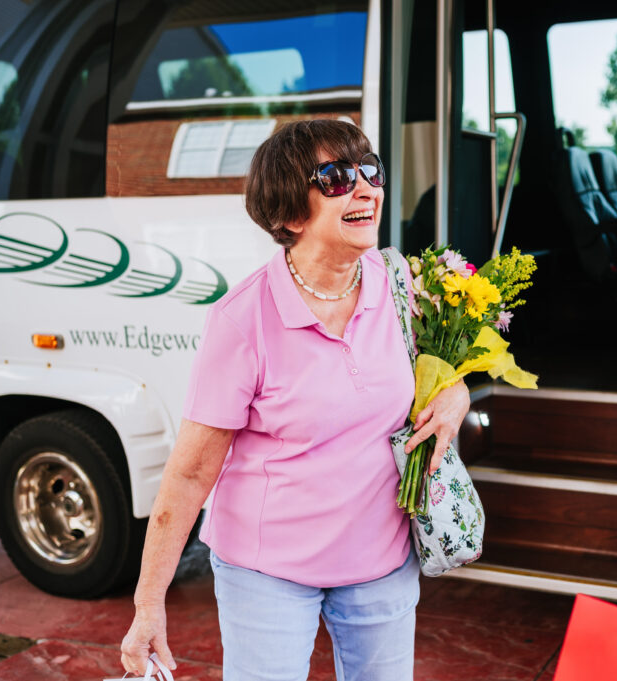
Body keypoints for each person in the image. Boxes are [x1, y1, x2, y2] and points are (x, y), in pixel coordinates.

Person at [119, 119, 470, 681]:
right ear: (289, 215)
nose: (364, 188)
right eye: (334, 177)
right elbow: (188, 477)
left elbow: (441, 370)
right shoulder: (243, 320)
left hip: (380, 561)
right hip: (269, 570)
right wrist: (147, 604)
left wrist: (455, 395)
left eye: (369, 169)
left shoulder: (398, 281)